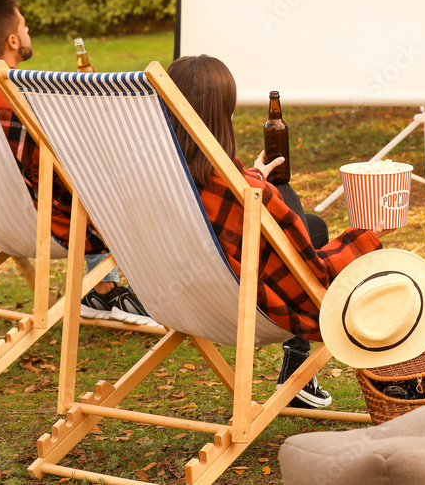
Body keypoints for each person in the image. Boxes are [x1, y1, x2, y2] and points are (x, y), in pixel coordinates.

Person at [165, 55, 394, 409]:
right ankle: (298, 362)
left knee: (311, 223)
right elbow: (314, 276)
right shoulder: (239, 192)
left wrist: (254, 177)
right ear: (221, 114)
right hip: (241, 308)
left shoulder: (152, 174)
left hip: (175, 297)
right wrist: (364, 235)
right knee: (297, 213)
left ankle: (297, 367)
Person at [0, 0, 157, 327]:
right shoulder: (11, 99)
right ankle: (122, 291)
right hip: (44, 221)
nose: (27, 31)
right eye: (25, 26)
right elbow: (62, 169)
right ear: (12, 41)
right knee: (124, 184)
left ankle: (104, 288)